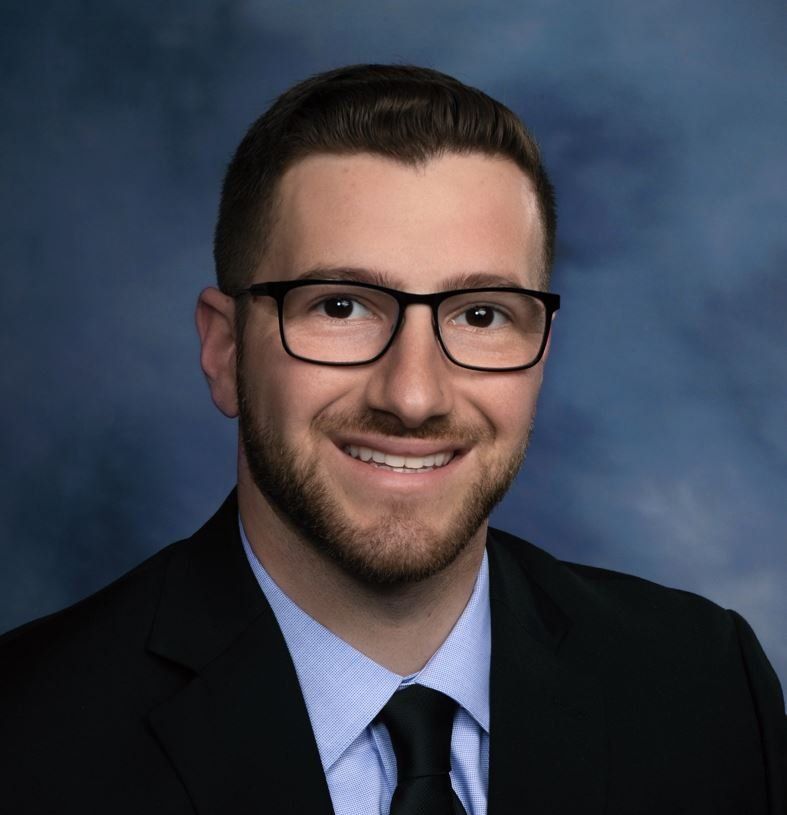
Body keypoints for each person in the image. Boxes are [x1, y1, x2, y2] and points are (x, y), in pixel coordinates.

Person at [0, 64, 784, 815]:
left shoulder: (705, 687)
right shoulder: (27, 736)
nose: (412, 396)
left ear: (540, 352)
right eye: (340, 306)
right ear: (225, 349)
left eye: (481, 315)